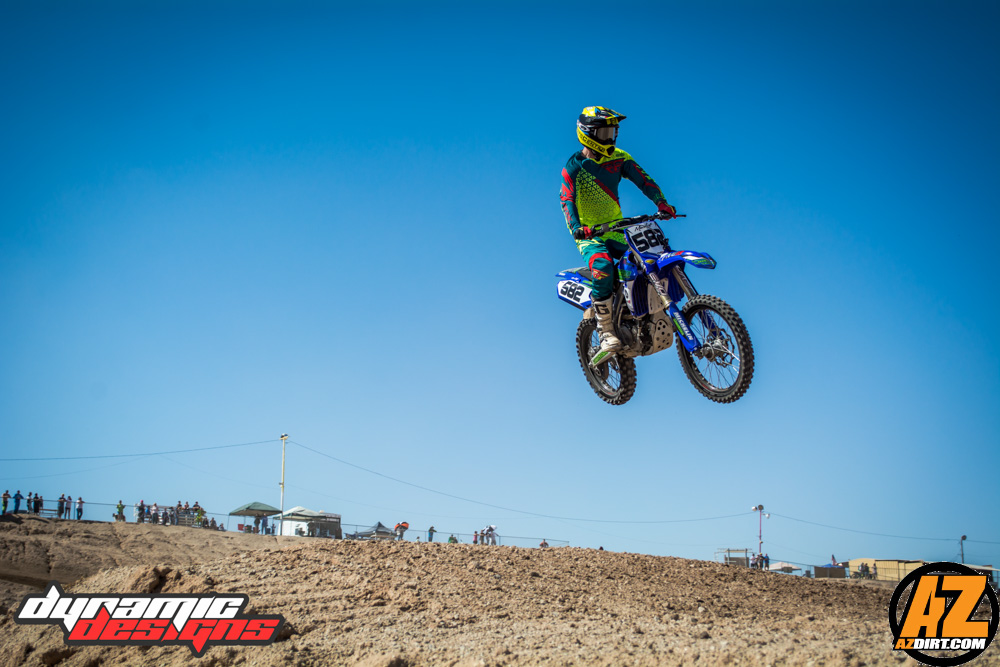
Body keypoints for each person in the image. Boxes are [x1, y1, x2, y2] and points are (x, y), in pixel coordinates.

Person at [560, 106, 676, 365]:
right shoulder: (574, 167)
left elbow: (644, 180)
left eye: (613, 132)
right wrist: (577, 227)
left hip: (616, 229)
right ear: (588, 134)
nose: (610, 138)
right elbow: (566, 199)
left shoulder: (620, 158)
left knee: (648, 258)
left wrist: (661, 202)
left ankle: (653, 311)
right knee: (602, 266)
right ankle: (606, 332)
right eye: (605, 133)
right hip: (590, 233)